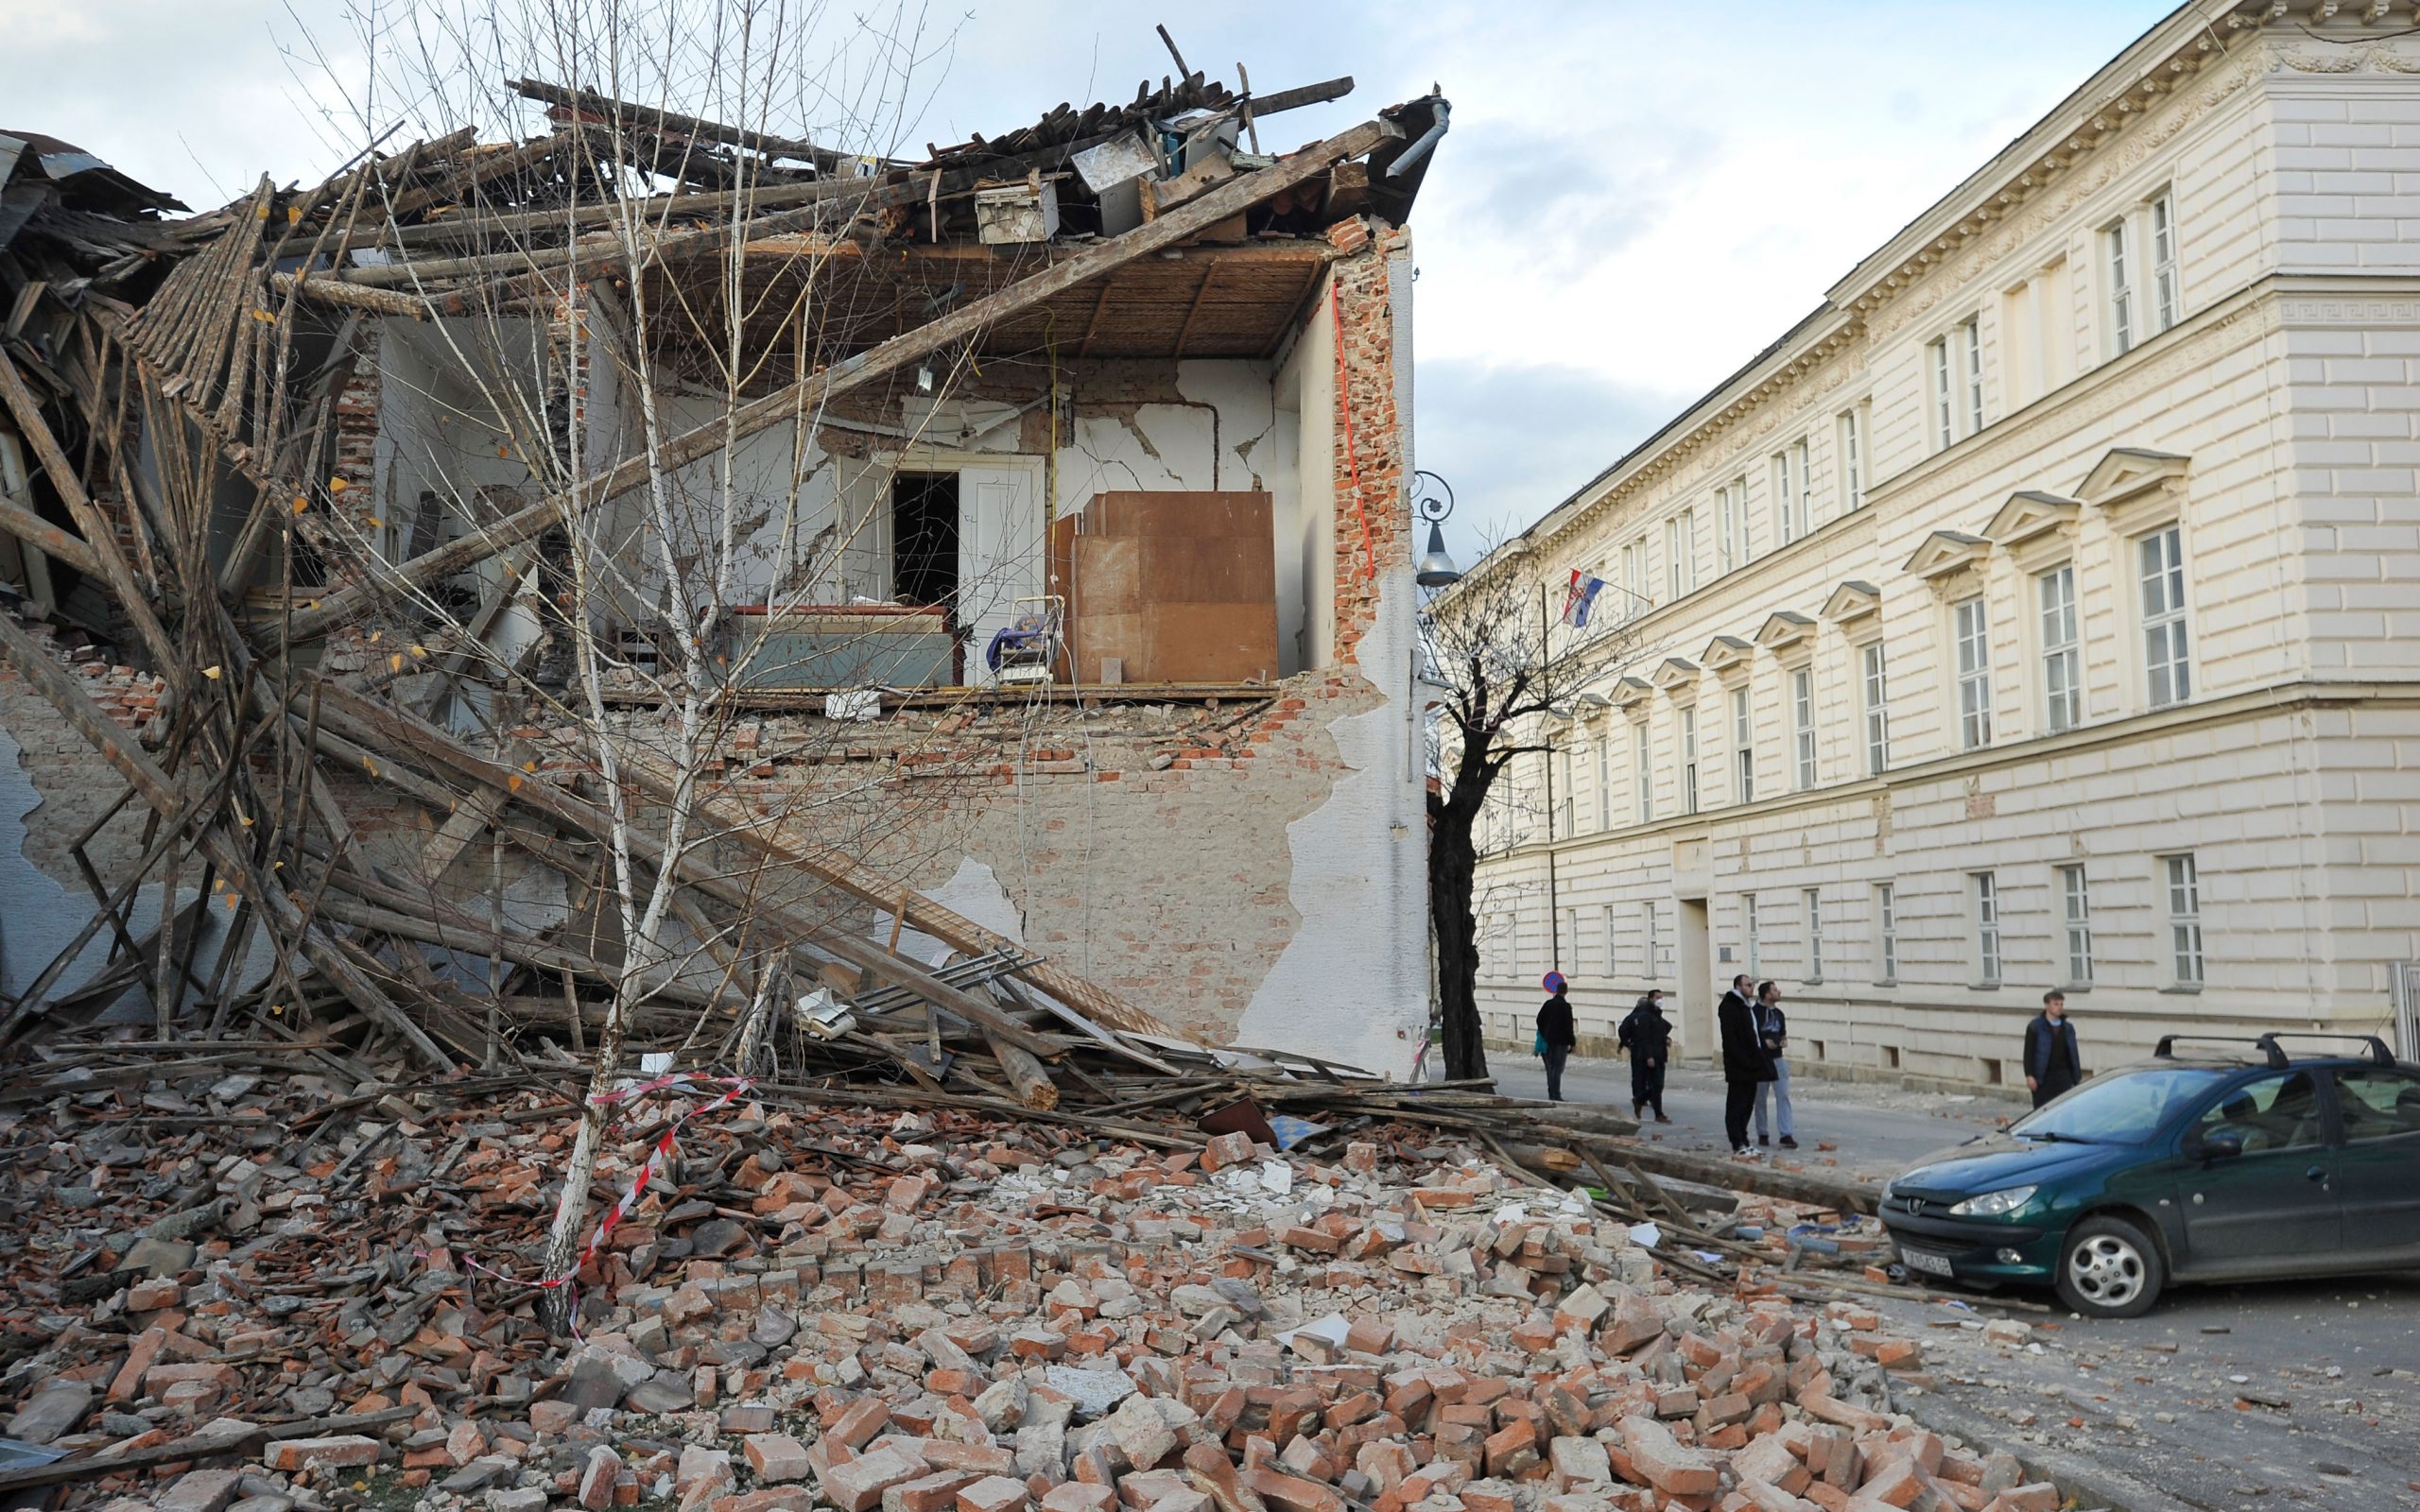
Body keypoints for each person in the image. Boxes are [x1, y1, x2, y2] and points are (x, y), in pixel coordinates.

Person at [1717, 972, 1773, 1156]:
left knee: (1748, 1103)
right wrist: (1745, 1060)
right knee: (1737, 1104)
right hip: (1739, 1065)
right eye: (1748, 985)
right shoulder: (1730, 1006)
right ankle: (1737, 1142)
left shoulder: (1745, 1006)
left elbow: (1754, 1035)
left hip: (1751, 1063)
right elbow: (1731, 1039)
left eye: (1752, 984)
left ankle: (1745, 1140)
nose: (1752, 987)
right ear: (1738, 986)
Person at [1617, 988, 1673, 1123]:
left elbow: (1660, 1031)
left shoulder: (1656, 1014)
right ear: (1651, 999)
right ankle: (1657, 1113)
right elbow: (1644, 1037)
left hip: (1659, 1053)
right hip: (1649, 1054)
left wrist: (1666, 1039)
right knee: (1654, 1084)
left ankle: (1641, 1100)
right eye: (1658, 997)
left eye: (1661, 998)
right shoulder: (1644, 1016)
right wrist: (1648, 1056)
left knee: (1658, 1085)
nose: (1660, 1000)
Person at [1753, 982, 1796, 1148]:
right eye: (1774, 990)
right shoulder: (1754, 1013)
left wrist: (1782, 1041)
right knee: (1760, 1097)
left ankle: (1786, 1133)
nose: (1778, 992)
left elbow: (1782, 1033)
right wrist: (1765, 1043)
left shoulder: (1779, 1014)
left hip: (1778, 1058)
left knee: (1783, 1095)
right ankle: (1762, 1132)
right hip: (1761, 1059)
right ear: (1766, 994)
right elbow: (1751, 1036)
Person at [2023, 990, 2082, 1108]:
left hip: (2064, 1074)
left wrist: (2076, 1076)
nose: (2059, 1007)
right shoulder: (2036, 1026)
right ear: (2046, 1005)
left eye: (2061, 1004)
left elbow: (2073, 1053)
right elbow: (2028, 1052)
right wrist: (2029, 1075)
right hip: (2043, 1075)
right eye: (2055, 1004)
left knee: (2067, 1108)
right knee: (2043, 1110)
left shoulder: (2068, 1027)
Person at [1536, 971, 1577, 1102]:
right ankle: (1556, 1094)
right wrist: (1573, 1043)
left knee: (1551, 1068)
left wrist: (1544, 1033)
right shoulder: (1565, 1007)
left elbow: (1539, 1019)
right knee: (1558, 1068)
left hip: (1548, 1040)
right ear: (1566, 992)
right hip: (1561, 1041)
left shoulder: (1548, 1004)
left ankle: (1551, 1093)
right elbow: (1568, 1026)